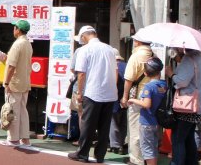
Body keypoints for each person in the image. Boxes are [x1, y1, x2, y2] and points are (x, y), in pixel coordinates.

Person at [68, 25, 118, 163]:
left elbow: (81, 73)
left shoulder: (85, 50)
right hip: (110, 93)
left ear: (84, 36)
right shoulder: (110, 49)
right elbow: (115, 71)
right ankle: (100, 155)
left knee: (88, 124)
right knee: (104, 126)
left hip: (93, 92)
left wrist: (79, 92)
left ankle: (83, 153)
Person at [120, 29, 154, 165]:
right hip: (152, 96)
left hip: (138, 96)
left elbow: (128, 79)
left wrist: (124, 97)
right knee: (149, 129)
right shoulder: (153, 55)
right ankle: (148, 158)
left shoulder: (136, 57)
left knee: (135, 128)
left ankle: (136, 160)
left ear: (138, 42)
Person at [165, 47, 201, 165]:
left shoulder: (189, 59)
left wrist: (171, 74)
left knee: (178, 139)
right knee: (189, 137)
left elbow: (182, 81)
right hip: (197, 105)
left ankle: (177, 162)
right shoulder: (199, 58)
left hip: (186, 105)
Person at [128, 57, 167, 165]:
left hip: (146, 121)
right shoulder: (163, 85)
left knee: (147, 148)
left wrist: (133, 100)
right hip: (157, 122)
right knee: (153, 147)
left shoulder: (149, 86)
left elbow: (146, 104)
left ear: (145, 73)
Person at [2, 19, 33, 147]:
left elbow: (11, 66)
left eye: (14, 27)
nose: (13, 30)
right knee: (22, 110)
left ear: (18, 30)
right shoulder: (28, 43)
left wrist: (6, 83)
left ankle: (13, 139)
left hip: (14, 83)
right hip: (25, 81)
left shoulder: (17, 44)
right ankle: (25, 139)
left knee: (12, 110)